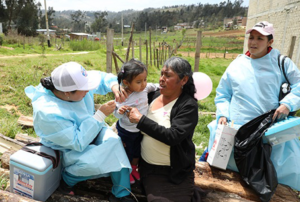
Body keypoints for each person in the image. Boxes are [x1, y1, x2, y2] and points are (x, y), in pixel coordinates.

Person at [203, 21, 300, 191]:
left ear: (270, 41)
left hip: (268, 131)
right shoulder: (237, 64)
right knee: (230, 176)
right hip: (236, 130)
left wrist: (287, 103)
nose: (253, 42)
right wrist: (223, 114)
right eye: (251, 37)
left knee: (273, 177)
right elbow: (223, 94)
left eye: (260, 38)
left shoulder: (281, 63)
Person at [25, 62, 136, 202]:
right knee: (92, 163)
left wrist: (114, 86)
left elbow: (102, 78)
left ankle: (121, 192)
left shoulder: (73, 82)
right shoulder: (48, 113)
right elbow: (77, 142)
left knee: (114, 141)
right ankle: (68, 179)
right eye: (85, 89)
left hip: (91, 126)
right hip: (67, 146)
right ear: (67, 92)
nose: (89, 90)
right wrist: (100, 115)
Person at [127, 57, 205, 202]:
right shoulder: (152, 96)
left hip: (174, 172)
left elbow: (173, 136)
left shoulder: (187, 105)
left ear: (183, 80)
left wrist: (141, 120)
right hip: (150, 171)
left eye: (168, 75)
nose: (161, 79)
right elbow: (126, 83)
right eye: (162, 74)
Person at [114, 59, 159, 185]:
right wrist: (120, 111)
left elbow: (155, 86)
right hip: (126, 131)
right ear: (126, 82)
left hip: (141, 128)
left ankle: (134, 168)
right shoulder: (122, 96)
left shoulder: (144, 89)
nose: (144, 84)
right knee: (127, 151)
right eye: (139, 82)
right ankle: (126, 172)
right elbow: (115, 114)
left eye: (145, 79)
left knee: (137, 151)